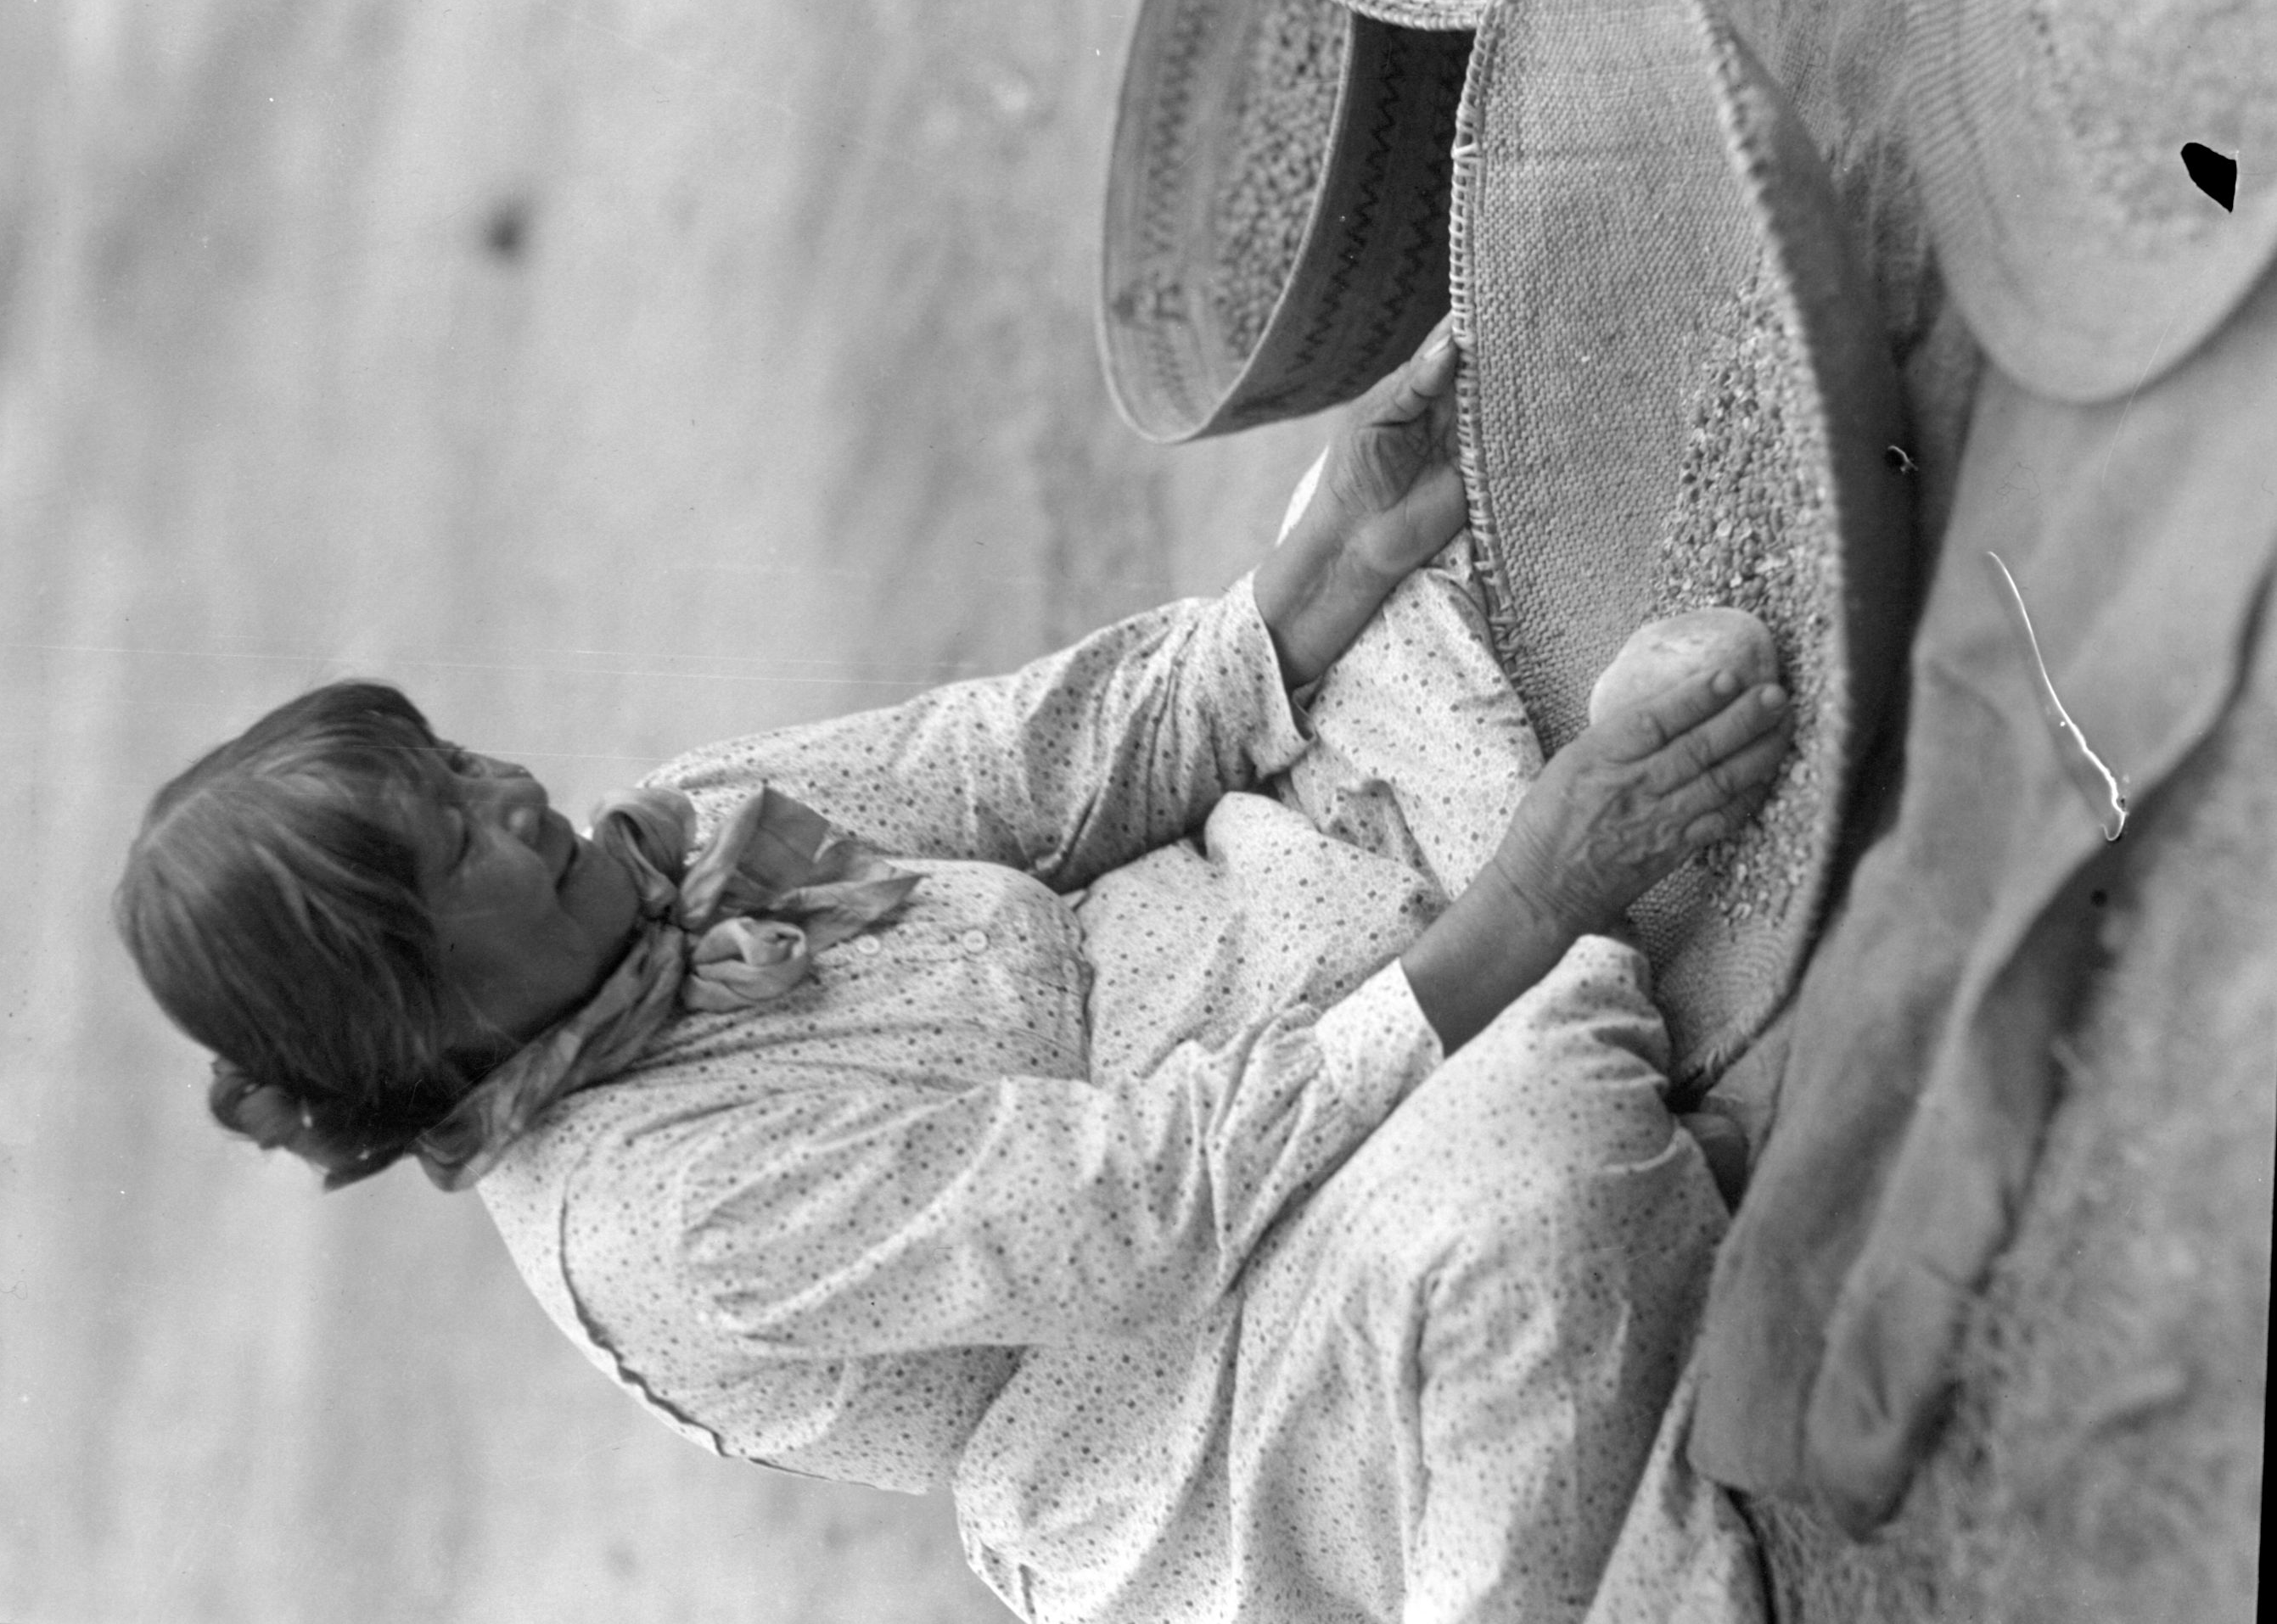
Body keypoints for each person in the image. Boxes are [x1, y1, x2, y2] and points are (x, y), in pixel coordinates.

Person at [116, 316, 1789, 1623]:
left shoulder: (664, 845)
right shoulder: (659, 1218)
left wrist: (1345, 544)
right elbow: (1154, 1201)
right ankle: (1565, 994)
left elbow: (1030, 768)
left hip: (1276, 957)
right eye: (453, 841)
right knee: (1518, 1192)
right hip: (1214, 1371)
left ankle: (1556, 959)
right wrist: (1529, 895)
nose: (509, 793)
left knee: (1377, 574)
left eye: (458, 758)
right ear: (412, 1011)